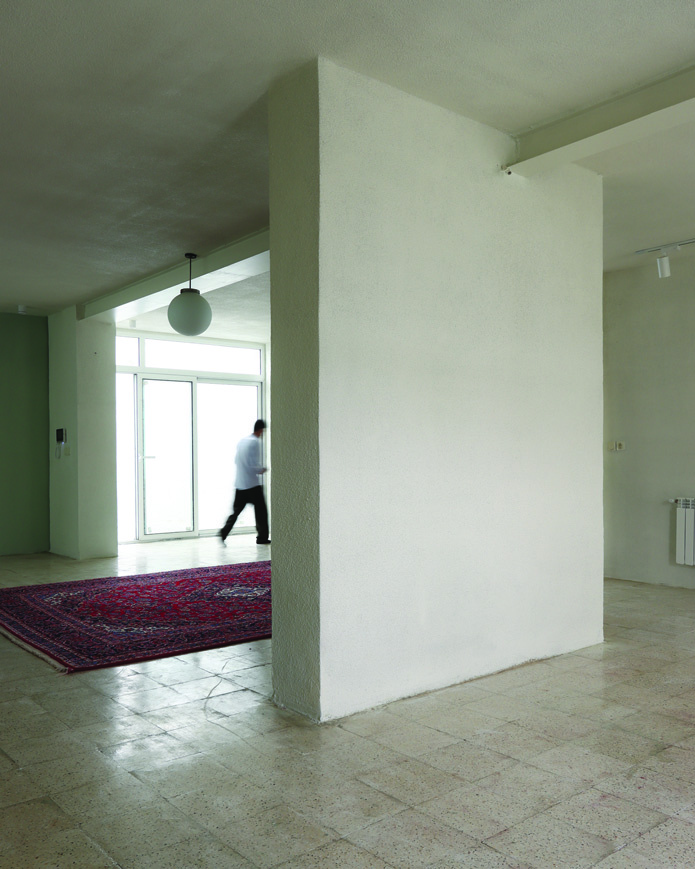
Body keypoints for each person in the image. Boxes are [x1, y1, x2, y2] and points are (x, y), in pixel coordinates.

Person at [219, 419, 270, 545]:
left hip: (240, 484)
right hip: (252, 485)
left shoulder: (242, 441)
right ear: (260, 430)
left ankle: (224, 531)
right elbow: (252, 464)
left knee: (236, 512)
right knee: (261, 512)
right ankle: (262, 538)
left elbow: (237, 460)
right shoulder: (255, 442)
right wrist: (262, 469)